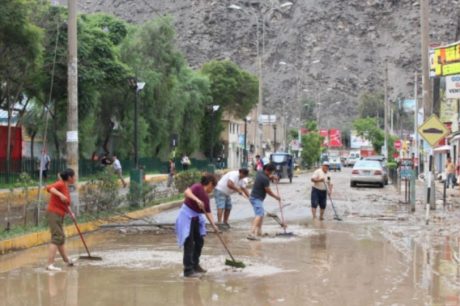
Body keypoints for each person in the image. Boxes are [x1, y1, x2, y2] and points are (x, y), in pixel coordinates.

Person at [175, 174, 218, 278]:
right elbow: (187, 192)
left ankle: (195, 264)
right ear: (210, 184)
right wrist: (197, 200)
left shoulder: (206, 198)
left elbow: (208, 212)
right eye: (213, 187)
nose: (212, 190)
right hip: (186, 217)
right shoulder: (197, 187)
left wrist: (214, 225)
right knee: (189, 243)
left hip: (195, 219)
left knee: (199, 241)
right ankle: (188, 270)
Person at [45, 168, 76, 271]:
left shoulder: (66, 187)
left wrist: (71, 213)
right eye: (74, 176)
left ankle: (67, 261)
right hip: (54, 213)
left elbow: (65, 204)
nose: (75, 178)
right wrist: (61, 194)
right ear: (70, 178)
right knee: (57, 237)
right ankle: (50, 264)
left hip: (59, 214)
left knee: (60, 237)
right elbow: (49, 188)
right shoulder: (61, 184)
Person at [247, 164, 281, 241]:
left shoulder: (260, 172)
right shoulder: (264, 179)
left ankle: (258, 232)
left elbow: (267, 177)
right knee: (259, 214)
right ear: (268, 171)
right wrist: (276, 197)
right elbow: (268, 191)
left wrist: (272, 177)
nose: (272, 174)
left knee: (260, 214)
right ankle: (251, 233)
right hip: (256, 198)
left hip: (254, 197)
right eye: (272, 172)